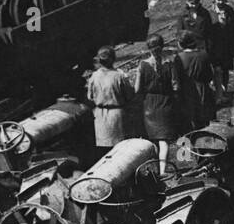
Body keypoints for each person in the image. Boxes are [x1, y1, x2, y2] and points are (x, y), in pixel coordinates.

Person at [135, 34, 186, 169]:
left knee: (153, 140)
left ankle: (155, 169)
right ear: (162, 47)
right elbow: (176, 86)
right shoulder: (170, 63)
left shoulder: (142, 65)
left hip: (149, 106)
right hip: (166, 104)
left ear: (148, 48)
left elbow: (137, 88)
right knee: (164, 141)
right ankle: (163, 172)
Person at [85, 46, 136, 164]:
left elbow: (90, 97)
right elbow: (129, 95)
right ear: (113, 59)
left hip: (100, 115)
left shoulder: (94, 76)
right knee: (120, 149)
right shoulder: (119, 75)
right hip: (118, 114)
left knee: (103, 150)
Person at [177, 30, 217, 128]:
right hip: (203, 91)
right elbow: (209, 75)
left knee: (191, 122)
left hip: (187, 92)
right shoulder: (203, 55)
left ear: (181, 44)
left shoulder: (179, 58)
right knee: (206, 121)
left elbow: (177, 78)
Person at [210, 0, 234, 97]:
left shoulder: (229, 11)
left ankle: (224, 92)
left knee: (225, 71)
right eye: (218, 0)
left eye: (223, 0)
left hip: (226, 48)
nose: (221, 2)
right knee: (215, 71)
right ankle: (217, 93)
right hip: (214, 49)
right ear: (214, 0)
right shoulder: (209, 13)